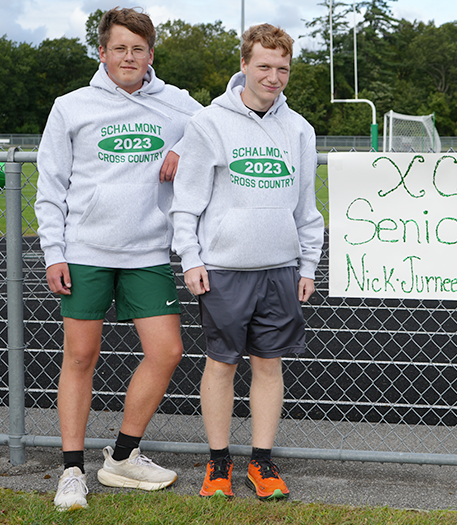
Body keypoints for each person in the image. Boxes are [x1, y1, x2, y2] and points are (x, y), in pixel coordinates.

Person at [35, 7, 203, 511]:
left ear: (151, 55)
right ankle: (71, 471)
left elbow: (226, 118)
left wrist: (186, 145)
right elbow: (50, 186)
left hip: (148, 250)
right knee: (81, 357)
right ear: (103, 52)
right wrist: (53, 251)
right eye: (119, 48)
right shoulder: (71, 106)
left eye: (138, 49)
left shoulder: (177, 104)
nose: (129, 57)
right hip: (85, 251)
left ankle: (123, 456)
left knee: (167, 351)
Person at [170, 23, 323, 501]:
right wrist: (191, 258)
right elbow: (186, 202)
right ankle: (218, 465)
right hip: (224, 269)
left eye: (283, 68)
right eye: (264, 66)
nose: (274, 77)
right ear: (244, 65)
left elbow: (306, 207)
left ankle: (262, 462)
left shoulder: (298, 129)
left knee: (269, 366)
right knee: (220, 365)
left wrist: (307, 265)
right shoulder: (208, 123)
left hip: (279, 269)